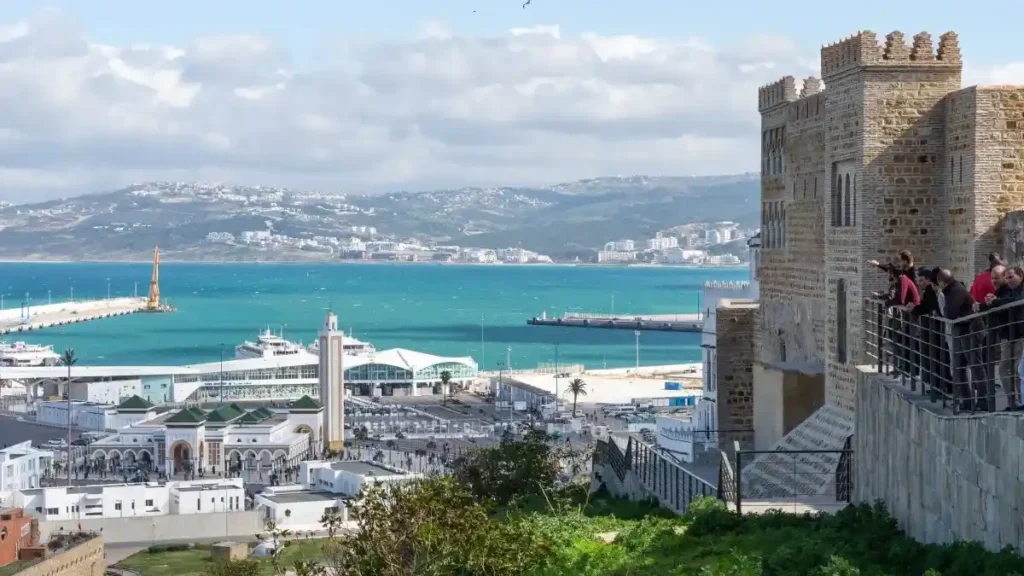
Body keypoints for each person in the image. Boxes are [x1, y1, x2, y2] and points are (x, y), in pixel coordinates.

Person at [937, 269, 988, 409]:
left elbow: (949, 313)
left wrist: (947, 311)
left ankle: (983, 401)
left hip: (972, 328)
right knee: (958, 366)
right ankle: (967, 401)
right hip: (962, 329)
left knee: (975, 364)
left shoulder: (956, 290)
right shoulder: (951, 290)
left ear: (942, 283)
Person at [984, 266, 1024, 409]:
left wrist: (995, 301)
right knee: (1010, 370)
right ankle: (1015, 402)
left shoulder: (1020, 290)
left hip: (1019, 335)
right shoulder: (1006, 290)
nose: (1008, 280)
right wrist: (987, 303)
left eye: (1011, 277)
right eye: (1006, 278)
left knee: (1015, 370)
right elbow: (1000, 304)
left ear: (1021, 275)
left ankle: (1018, 402)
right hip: (1008, 335)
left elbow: (1015, 301)